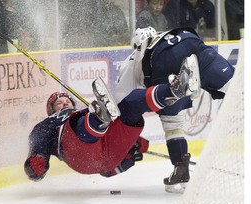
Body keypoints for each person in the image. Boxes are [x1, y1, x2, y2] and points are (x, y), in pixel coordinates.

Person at [114, 26, 234, 193]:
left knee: (172, 122)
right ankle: (186, 82)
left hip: (163, 61)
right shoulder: (164, 35)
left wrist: (121, 133)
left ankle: (180, 167)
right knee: (236, 87)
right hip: (192, 42)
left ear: (137, 46)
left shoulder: (132, 60)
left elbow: (120, 102)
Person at [24, 72, 199, 181]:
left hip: (107, 158)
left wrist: (131, 148)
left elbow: (106, 172)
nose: (63, 104)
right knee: (76, 123)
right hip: (80, 156)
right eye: (58, 104)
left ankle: (173, 90)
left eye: (66, 101)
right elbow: (38, 135)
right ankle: (100, 119)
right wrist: (37, 158)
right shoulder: (53, 122)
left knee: (130, 104)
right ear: (51, 111)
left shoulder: (82, 112)